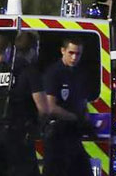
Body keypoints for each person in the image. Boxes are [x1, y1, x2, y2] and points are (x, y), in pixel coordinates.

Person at [0, 33, 47, 176]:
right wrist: (36, 128)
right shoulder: (21, 71)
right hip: (14, 136)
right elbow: (43, 109)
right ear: (8, 50)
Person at [43, 37, 94, 176]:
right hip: (57, 136)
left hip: (73, 135)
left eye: (78, 54)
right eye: (71, 53)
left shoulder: (78, 74)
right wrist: (75, 117)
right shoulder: (54, 73)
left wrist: (85, 119)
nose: (74, 57)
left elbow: (82, 102)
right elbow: (50, 106)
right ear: (63, 51)